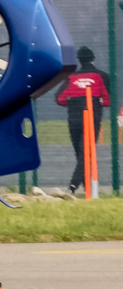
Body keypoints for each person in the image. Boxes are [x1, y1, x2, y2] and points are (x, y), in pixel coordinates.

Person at [55, 46, 112, 193]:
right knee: (86, 154)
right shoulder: (102, 76)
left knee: (81, 155)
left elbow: (59, 99)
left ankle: (87, 190)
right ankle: (73, 187)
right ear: (93, 59)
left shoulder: (71, 77)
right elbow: (107, 101)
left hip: (73, 119)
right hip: (91, 119)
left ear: (79, 60)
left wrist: (74, 101)